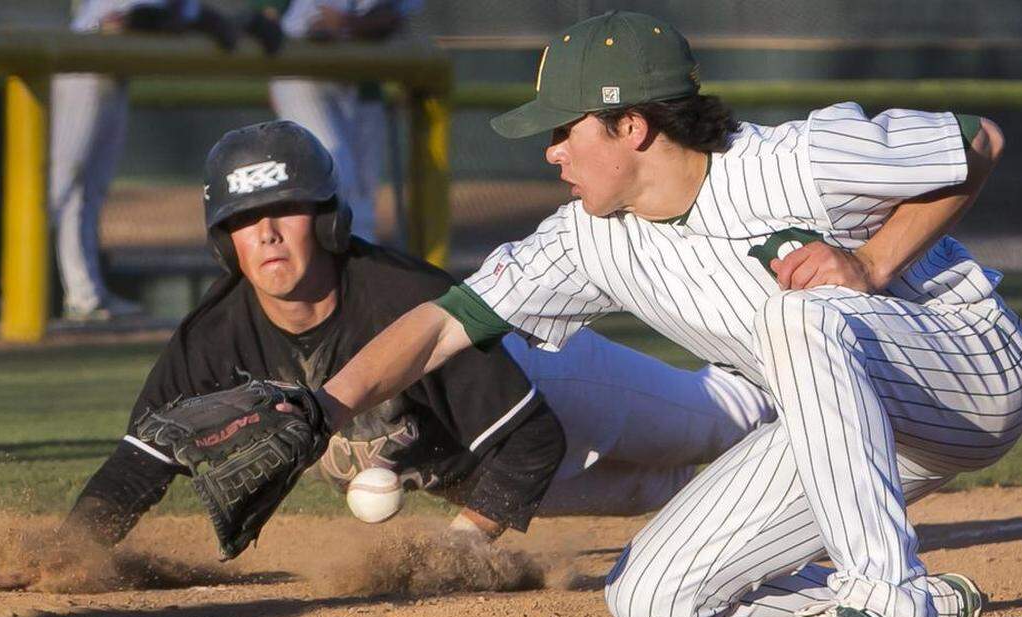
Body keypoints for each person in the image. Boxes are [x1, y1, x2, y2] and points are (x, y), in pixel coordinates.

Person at [297, 12, 1022, 617]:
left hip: (968, 369)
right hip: (852, 428)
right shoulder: (589, 237)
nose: (552, 152)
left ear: (633, 125)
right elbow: (443, 324)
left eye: (565, 129)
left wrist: (873, 262)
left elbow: (975, 140)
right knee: (653, 595)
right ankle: (921, 598)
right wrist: (318, 412)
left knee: (797, 313)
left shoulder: (791, 161)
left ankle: (888, 606)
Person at [51, 119, 771, 554]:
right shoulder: (215, 337)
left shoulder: (397, 300)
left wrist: (457, 549)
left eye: (287, 209)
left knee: (731, 425)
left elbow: (533, 440)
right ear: (222, 241)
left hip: (545, 380)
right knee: (669, 492)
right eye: (244, 218)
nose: (266, 232)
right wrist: (65, 556)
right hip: (480, 465)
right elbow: (141, 459)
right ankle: (826, 478)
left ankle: (823, 399)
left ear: (329, 219)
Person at [50, 0, 237, 321]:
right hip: (81, 64)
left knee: (91, 189)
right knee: (64, 183)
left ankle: (85, 294)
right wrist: (193, 21)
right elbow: (134, 18)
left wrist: (208, 21)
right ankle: (33, 286)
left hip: (111, 75)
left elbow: (181, 16)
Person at [260, 0, 422, 242]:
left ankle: (360, 273)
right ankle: (324, 269)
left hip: (359, 79)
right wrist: (368, 24)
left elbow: (393, 20)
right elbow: (323, 25)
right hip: (302, 73)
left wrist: (360, 25)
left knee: (364, 196)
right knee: (333, 174)